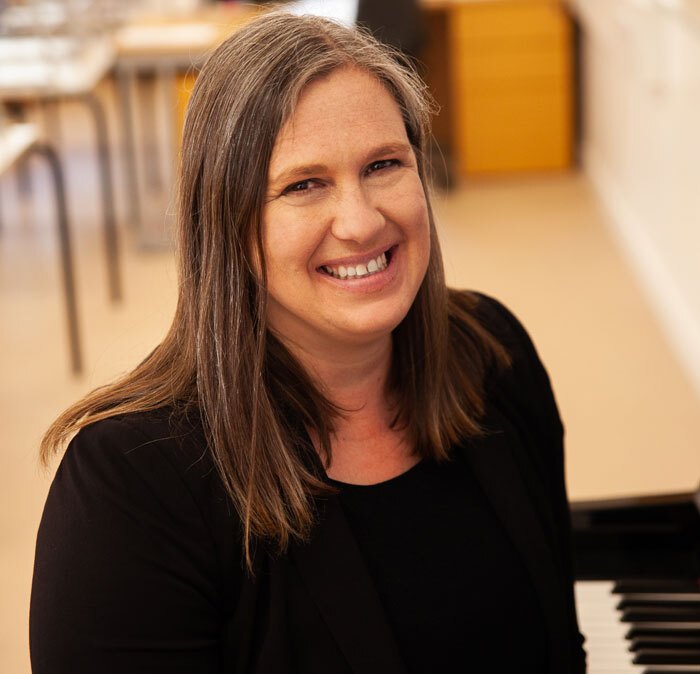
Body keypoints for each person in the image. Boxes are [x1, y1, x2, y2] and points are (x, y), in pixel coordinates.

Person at [29, 11, 586, 674]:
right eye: (304, 184)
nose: (360, 220)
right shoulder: (127, 492)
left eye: (384, 164)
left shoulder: (493, 355)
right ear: (227, 221)